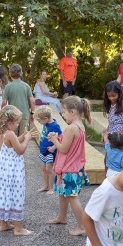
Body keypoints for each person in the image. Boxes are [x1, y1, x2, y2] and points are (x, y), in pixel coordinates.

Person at [47, 96, 92, 236]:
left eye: (64, 112)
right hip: (72, 167)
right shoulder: (79, 125)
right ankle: (62, 217)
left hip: (69, 168)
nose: (62, 114)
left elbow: (64, 149)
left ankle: (83, 227)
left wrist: (54, 140)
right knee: (63, 193)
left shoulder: (72, 128)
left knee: (72, 197)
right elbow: (69, 144)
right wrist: (58, 138)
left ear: (72, 112)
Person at [0, 105, 36, 236]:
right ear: (8, 122)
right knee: (16, 194)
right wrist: (27, 139)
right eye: (16, 122)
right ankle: (18, 228)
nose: (17, 124)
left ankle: (3, 224)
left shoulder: (0, 132)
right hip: (13, 170)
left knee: (5, 193)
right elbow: (20, 150)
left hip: (3, 170)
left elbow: (11, 144)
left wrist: (23, 135)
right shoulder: (10, 134)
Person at [1, 64, 36, 136]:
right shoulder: (26, 86)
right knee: (23, 137)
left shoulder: (8, 87)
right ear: (21, 74)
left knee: (14, 139)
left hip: (12, 116)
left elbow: (4, 102)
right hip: (24, 115)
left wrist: (3, 113)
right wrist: (32, 113)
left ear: (10, 74)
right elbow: (32, 101)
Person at [34, 105, 61, 194]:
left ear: (46, 118)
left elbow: (61, 138)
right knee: (44, 169)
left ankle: (52, 188)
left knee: (49, 169)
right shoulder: (46, 124)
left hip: (50, 151)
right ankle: (46, 186)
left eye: (39, 120)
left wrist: (54, 147)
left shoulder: (55, 126)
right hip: (44, 150)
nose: (39, 122)